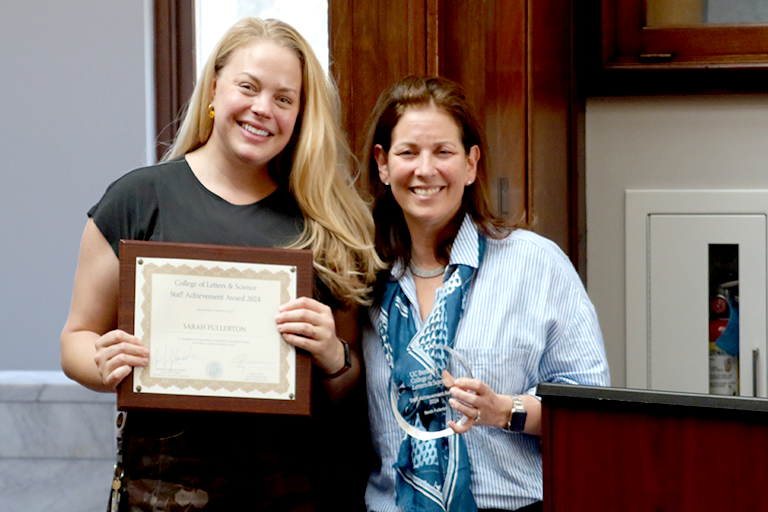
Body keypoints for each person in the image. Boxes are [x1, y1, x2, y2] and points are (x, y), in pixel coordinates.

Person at [60, 17, 381, 511]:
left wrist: (333, 356)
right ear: (214, 88)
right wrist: (103, 364)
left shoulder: (327, 222)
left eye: (284, 98)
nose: (262, 109)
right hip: (163, 493)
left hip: (289, 494)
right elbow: (75, 340)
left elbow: (344, 388)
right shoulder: (139, 199)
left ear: (299, 115)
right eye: (248, 87)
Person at [361, 76, 610, 512]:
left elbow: (591, 412)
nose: (425, 169)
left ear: (471, 163)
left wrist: (503, 410)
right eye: (408, 152)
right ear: (383, 164)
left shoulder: (536, 264)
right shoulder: (361, 278)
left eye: (443, 152)